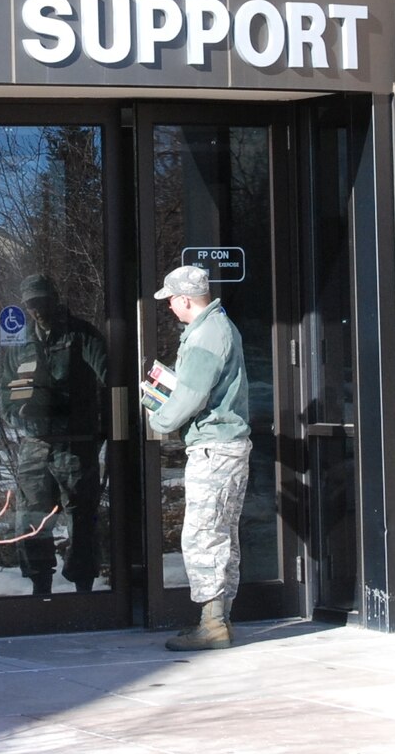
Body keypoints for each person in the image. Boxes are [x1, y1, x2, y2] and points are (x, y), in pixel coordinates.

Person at [145, 264, 251, 651]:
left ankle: (213, 624)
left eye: (171, 299)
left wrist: (158, 418)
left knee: (203, 535)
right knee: (222, 534)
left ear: (185, 299)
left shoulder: (206, 335)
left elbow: (190, 396)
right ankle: (219, 619)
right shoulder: (219, 327)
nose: (169, 306)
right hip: (227, 447)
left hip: (214, 449)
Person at [2, 272, 110, 595]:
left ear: (54, 299)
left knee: (81, 517)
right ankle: (40, 586)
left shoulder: (81, 335)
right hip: (35, 443)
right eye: (31, 305)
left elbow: (110, 381)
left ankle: (84, 588)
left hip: (75, 443)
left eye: (41, 302)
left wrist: (100, 428)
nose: (37, 310)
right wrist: (19, 417)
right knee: (31, 517)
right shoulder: (20, 344)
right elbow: (5, 392)